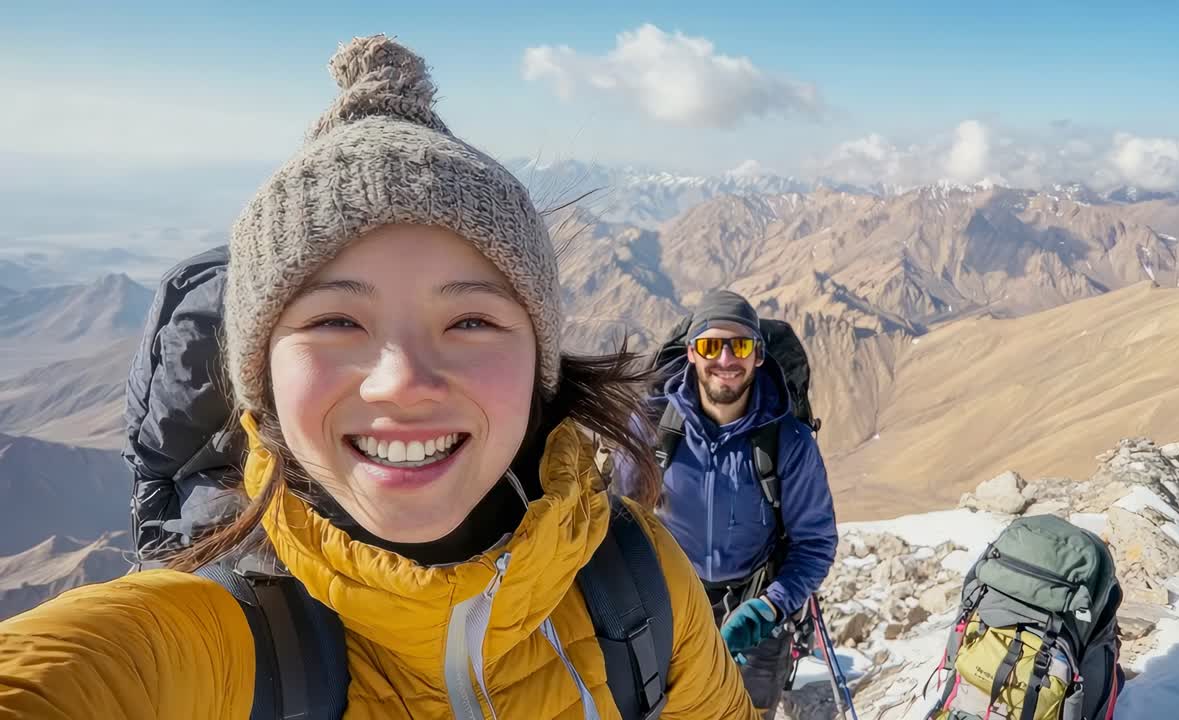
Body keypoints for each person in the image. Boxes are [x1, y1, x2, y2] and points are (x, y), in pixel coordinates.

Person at [0, 35, 756, 720]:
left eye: (471, 321)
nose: (402, 380)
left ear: (539, 362)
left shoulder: (640, 580)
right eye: (336, 321)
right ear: (261, 377)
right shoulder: (201, 642)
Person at [617, 290, 839, 719]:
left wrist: (770, 606)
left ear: (758, 355)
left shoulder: (788, 442)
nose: (725, 359)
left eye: (739, 346)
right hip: (669, 607)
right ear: (691, 353)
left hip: (757, 612)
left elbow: (815, 543)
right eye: (710, 346)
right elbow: (621, 523)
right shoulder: (652, 430)